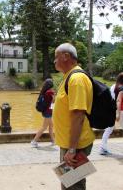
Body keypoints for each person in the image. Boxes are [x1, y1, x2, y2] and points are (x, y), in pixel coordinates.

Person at [53, 43, 95, 190]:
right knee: (69, 183)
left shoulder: (76, 79)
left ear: (66, 56)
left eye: (56, 57)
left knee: (72, 186)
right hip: (70, 143)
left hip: (76, 145)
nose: (54, 61)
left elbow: (78, 115)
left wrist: (72, 149)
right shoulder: (69, 76)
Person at [99, 72, 123, 155]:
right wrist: (118, 113)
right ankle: (102, 148)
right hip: (119, 111)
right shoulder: (121, 88)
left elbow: (110, 98)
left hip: (111, 110)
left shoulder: (113, 86)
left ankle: (102, 148)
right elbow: (119, 101)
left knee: (109, 129)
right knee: (109, 129)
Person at [31, 78, 55, 148]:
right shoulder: (50, 92)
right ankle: (34, 141)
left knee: (51, 126)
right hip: (48, 112)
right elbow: (53, 101)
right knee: (44, 127)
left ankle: (53, 141)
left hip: (46, 111)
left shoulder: (44, 91)